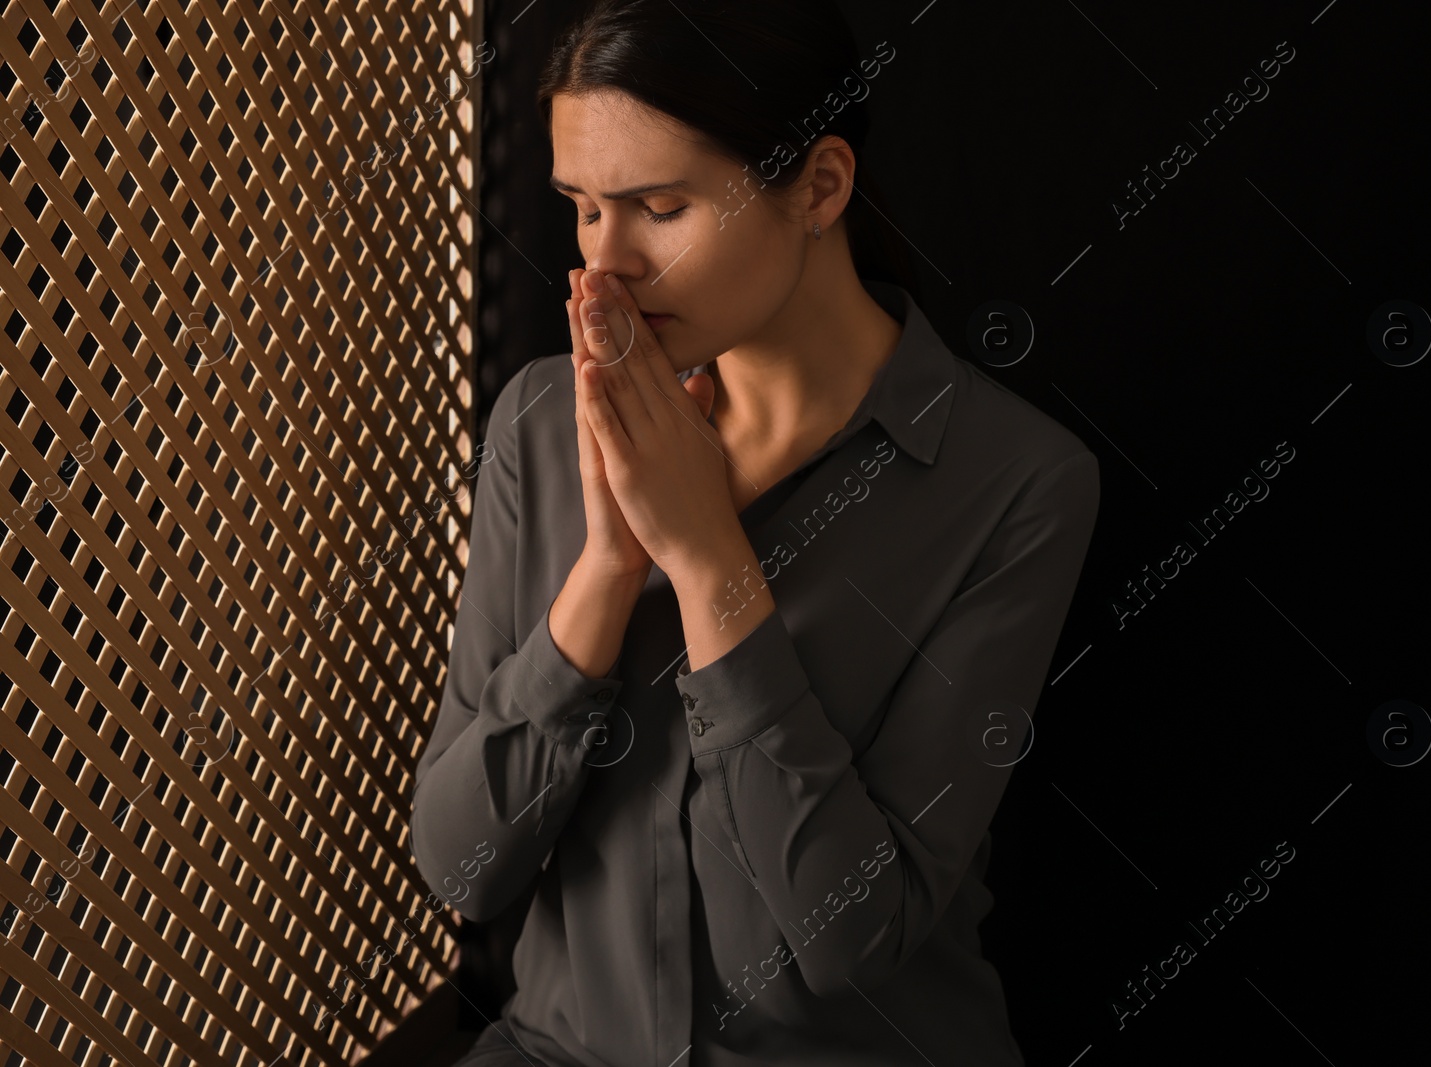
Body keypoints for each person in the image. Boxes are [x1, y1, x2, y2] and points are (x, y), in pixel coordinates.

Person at [409, 1, 1101, 1063]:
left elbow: (851, 937)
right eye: (584, 210)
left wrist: (708, 560)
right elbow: (461, 870)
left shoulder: (1016, 483)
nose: (606, 266)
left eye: (659, 207)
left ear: (819, 186)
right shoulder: (544, 423)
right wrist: (607, 563)